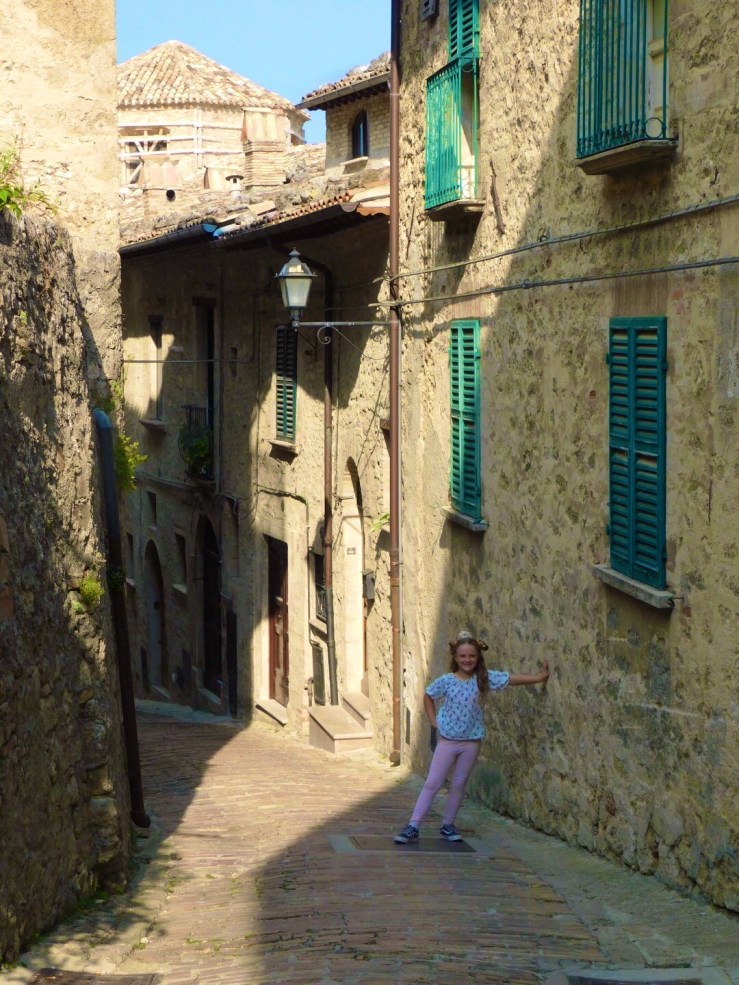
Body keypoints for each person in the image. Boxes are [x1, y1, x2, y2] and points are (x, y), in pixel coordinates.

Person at [394, 630, 550, 843]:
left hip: (471, 742)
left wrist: (539, 678)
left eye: (471, 656)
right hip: (448, 740)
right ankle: (413, 825)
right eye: (463, 656)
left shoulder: (483, 679)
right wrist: (433, 722)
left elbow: (510, 679)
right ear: (455, 657)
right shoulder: (447, 681)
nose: (467, 660)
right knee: (433, 782)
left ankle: (448, 825)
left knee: (459, 783)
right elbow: (428, 696)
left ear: (478, 657)